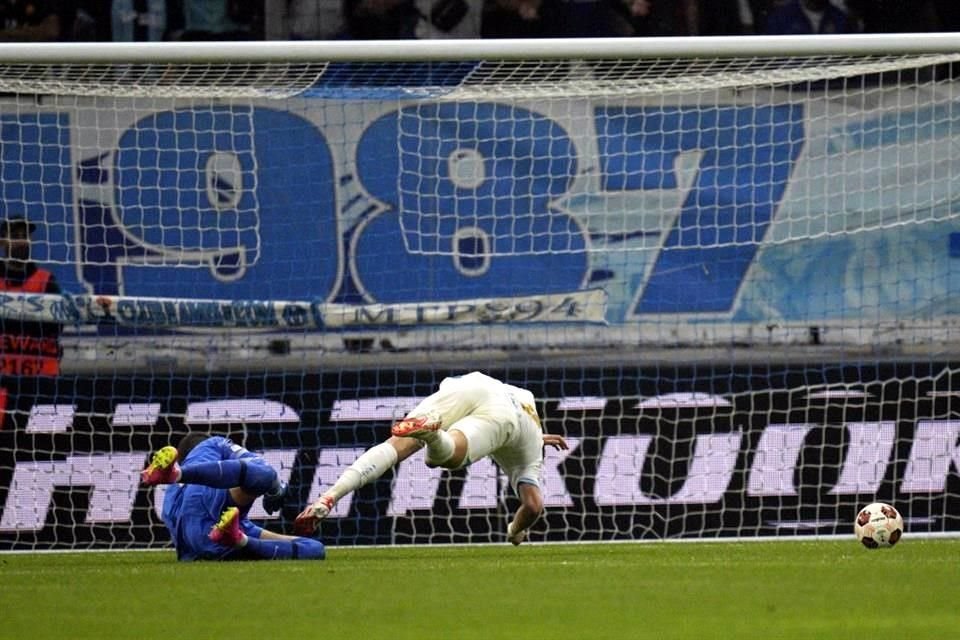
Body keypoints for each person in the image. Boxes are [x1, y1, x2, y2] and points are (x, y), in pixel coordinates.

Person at [295, 371, 568, 545]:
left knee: (396, 445)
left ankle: (329, 496)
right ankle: (433, 435)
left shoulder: (530, 417)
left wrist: (539, 437)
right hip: (503, 416)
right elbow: (533, 506)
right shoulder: (531, 457)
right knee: (445, 458)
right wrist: (514, 530)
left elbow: (531, 433)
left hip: (472, 383)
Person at [141, 432, 326, 561]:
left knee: (315, 549)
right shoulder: (210, 445)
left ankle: (239, 541)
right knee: (264, 475)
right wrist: (276, 490)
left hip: (202, 545)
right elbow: (260, 467)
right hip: (208, 525)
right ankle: (177, 474)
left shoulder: (169, 504)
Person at [0, 215, 62, 378]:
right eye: (14, 236)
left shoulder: (46, 280)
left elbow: (56, 327)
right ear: (2, 241)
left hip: (40, 378)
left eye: (25, 236)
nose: (21, 241)